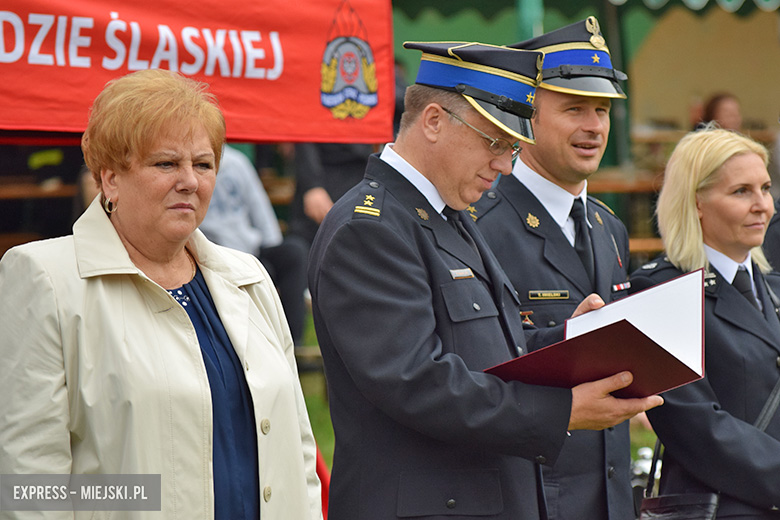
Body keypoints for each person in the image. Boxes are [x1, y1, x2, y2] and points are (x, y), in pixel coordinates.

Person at [307, 40, 662, 519]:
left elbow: (486, 350)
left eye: (512, 147)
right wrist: (561, 412)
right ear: (433, 121)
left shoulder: (445, 214)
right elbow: (417, 381)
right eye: (493, 141)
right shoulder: (370, 227)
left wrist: (571, 340)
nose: (504, 163)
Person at [0, 69, 321, 519]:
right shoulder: (46, 278)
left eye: (204, 164)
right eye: (166, 163)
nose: (190, 180)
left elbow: (299, 452)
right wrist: (142, 499)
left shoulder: (248, 277)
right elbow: (31, 487)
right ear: (109, 178)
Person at [472, 17, 635, 520]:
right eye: (575, 109)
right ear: (529, 116)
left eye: (603, 110)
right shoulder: (480, 224)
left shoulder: (610, 228)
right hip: (529, 496)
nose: (594, 126)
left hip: (609, 498)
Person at [630, 126, 780, 518]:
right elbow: (697, 429)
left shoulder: (774, 290)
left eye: (765, 188)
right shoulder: (659, 292)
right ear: (696, 201)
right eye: (741, 192)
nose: (763, 205)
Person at [199, 144, 309, 344]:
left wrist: (272, 244)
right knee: (261, 271)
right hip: (212, 254)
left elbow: (259, 207)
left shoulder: (236, 162)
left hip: (249, 248)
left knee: (294, 252)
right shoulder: (189, 168)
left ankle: (292, 343)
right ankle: (260, 344)